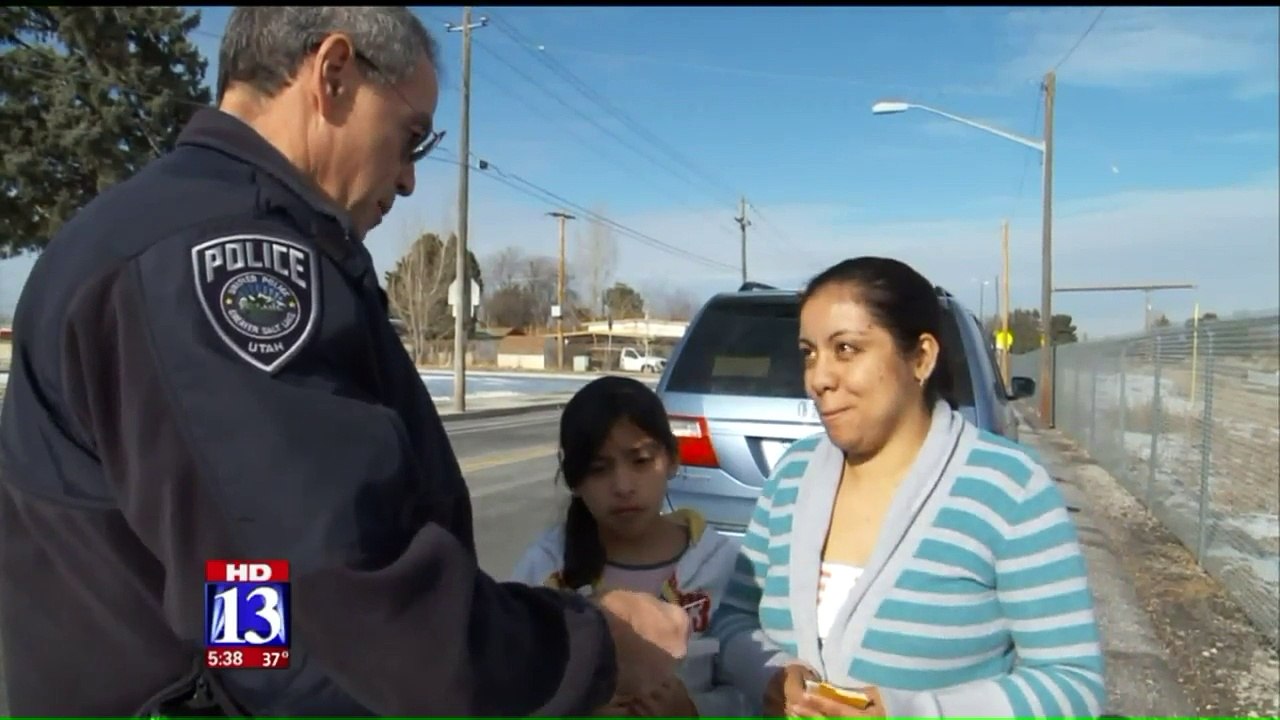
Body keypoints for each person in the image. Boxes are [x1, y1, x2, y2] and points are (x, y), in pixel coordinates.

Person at [0, 7, 688, 716]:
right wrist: (593, 649)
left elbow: (241, 588)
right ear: (332, 75)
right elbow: (335, 586)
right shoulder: (221, 260)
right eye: (411, 137)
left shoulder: (173, 231)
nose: (411, 179)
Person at [708, 257, 1107, 718]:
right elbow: (732, 618)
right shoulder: (792, 475)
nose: (818, 378)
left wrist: (918, 712)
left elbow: (1073, 685)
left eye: (846, 349)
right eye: (808, 353)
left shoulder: (1008, 486)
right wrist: (770, 677)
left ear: (921, 357)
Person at [510, 376, 750, 717]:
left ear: (672, 459)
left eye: (640, 461)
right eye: (598, 468)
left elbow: (752, 692)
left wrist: (694, 710)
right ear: (573, 479)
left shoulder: (720, 566)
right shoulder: (546, 572)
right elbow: (512, 687)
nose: (623, 486)